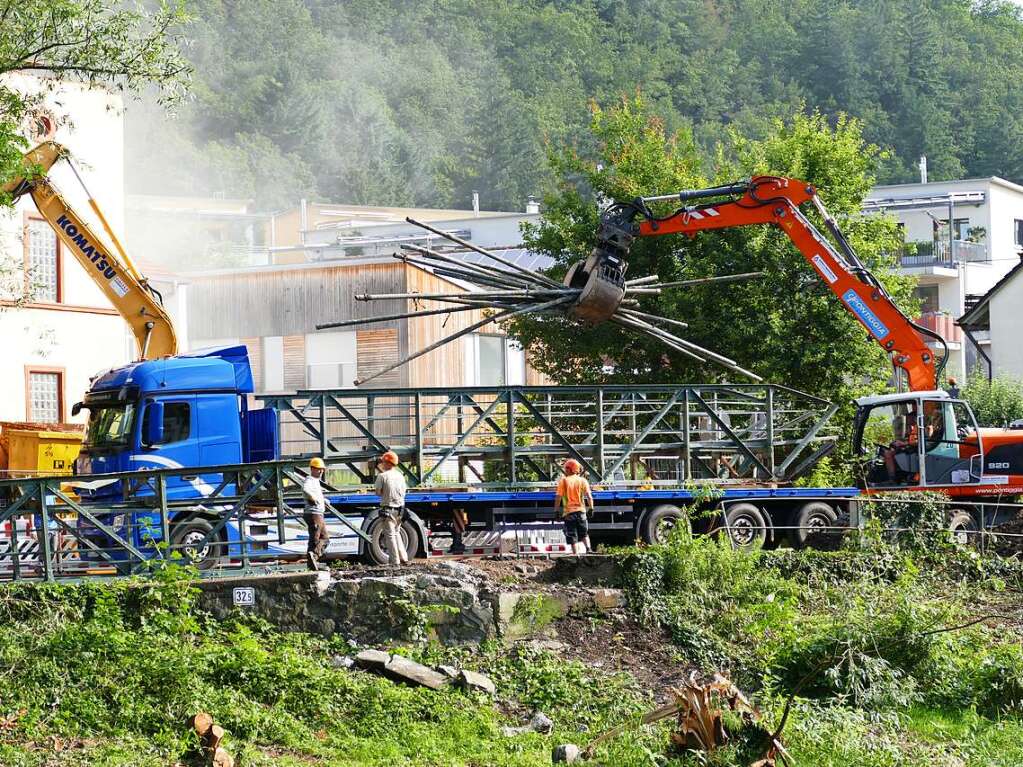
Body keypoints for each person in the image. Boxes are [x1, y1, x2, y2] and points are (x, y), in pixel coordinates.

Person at [375, 450, 409, 568]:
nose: (382, 464)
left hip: (388, 509)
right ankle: (404, 557)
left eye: (384, 461)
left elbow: (378, 493)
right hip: (400, 510)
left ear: (388, 463)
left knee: (390, 536)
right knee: (396, 532)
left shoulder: (382, 476)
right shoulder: (400, 476)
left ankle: (395, 562)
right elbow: (404, 492)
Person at [554, 458, 593, 555]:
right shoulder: (583, 481)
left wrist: (556, 510)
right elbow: (589, 496)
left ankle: (576, 555)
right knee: (584, 533)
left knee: (572, 535)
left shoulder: (564, 481)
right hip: (581, 511)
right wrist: (591, 508)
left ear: (569, 469)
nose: (565, 470)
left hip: (569, 513)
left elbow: (558, 497)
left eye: (566, 468)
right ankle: (588, 549)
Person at [302, 457, 329, 571]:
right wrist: (313, 498)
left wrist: (324, 501)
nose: (321, 471)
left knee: (324, 539)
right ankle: (313, 557)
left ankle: (312, 560)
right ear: (312, 469)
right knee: (316, 539)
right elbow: (305, 490)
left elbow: (315, 494)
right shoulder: (310, 480)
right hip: (314, 514)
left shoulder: (316, 481)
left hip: (317, 514)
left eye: (322, 469)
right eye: (318, 469)